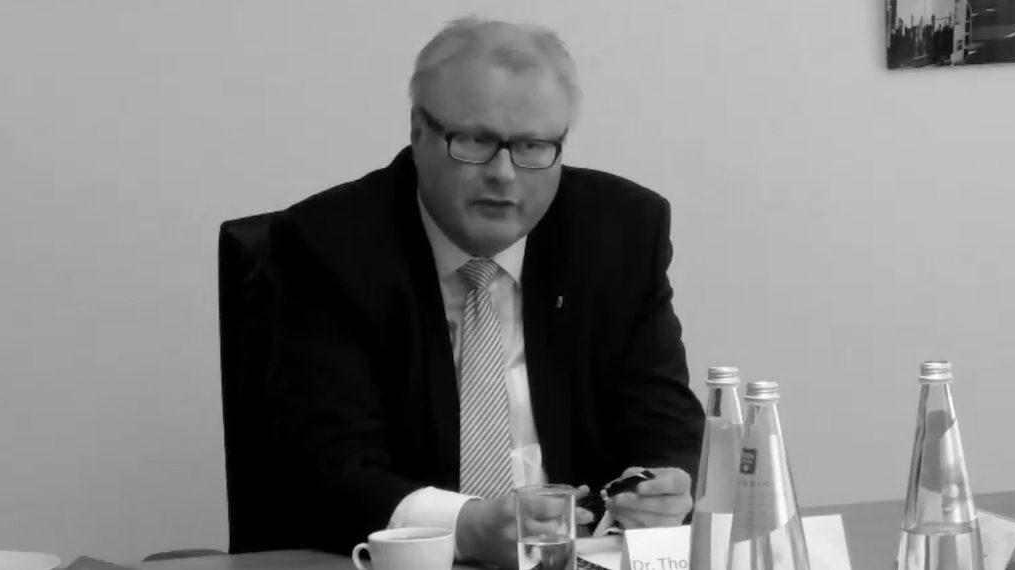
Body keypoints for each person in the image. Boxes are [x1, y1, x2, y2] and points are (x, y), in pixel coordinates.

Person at [267, 16, 705, 569]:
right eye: (475, 141)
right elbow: (325, 466)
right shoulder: (330, 246)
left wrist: (663, 486)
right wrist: (466, 528)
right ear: (418, 131)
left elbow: (664, 419)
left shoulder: (620, 232)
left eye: (532, 146)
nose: (504, 174)